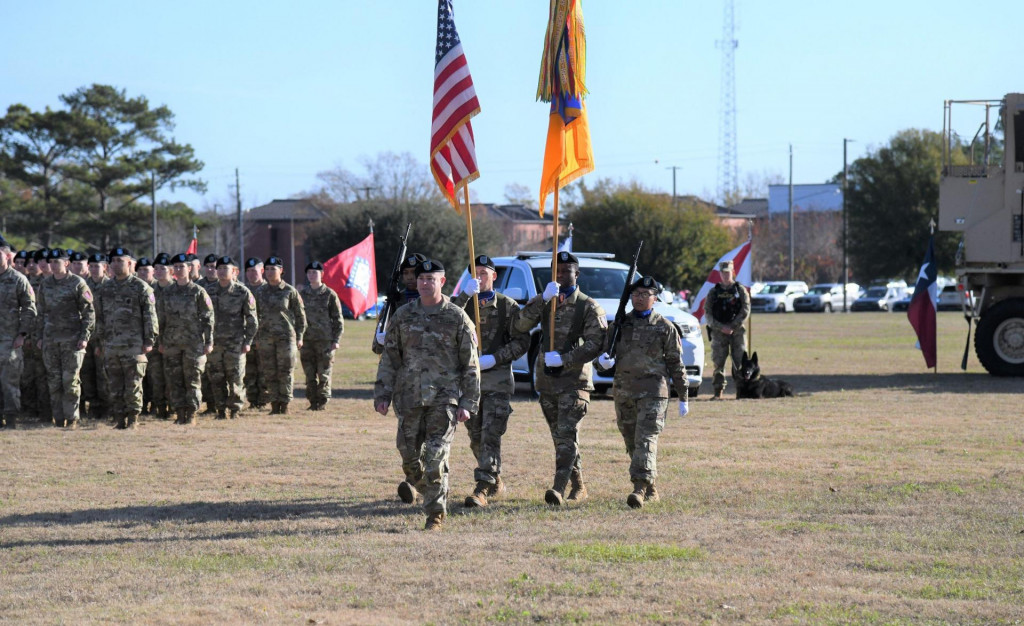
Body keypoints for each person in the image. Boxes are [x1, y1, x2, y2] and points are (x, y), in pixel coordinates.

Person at [374, 259, 480, 531]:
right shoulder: (403, 315)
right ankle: (430, 491)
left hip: (443, 401)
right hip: (408, 399)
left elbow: (471, 364)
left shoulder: (457, 317)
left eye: (430, 279)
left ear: (442, 282)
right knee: (410, 461)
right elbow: (390, 358)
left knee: (435, 457)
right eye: (420, 279)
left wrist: (468, 402)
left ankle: (435, 514)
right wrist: (382, 393)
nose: (424, 283)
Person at [513, 251, 607, 506]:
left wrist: (565, 358)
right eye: (557, 270)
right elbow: (520, 325)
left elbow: (595, 343)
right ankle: (579, 485)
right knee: (561, 438)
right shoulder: (545, 301)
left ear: (577, 274)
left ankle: (558, 487)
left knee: (566, 435)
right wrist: (542, 299)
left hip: (575, 382)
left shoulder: (588, 306)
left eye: (567, 270)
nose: (561, 275)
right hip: (547, 382)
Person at [596, 276, 689, 509]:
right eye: (636, 294)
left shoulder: (664, 327)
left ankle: (638, 488)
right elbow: (603, 356)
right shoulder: (619, 325)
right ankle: (651, 488)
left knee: (646, 439)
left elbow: (676, 363)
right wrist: (603, 363)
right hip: (624, 391)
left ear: (655, 299)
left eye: (645, 294)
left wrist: (683, 395)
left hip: (654, 392)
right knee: (631, 441)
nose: (639, 298)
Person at [454, 254, 530, 508]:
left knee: (490, 436)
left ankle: (482, 487)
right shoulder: (462, 305)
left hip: (496, 382)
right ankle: (495, 479)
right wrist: (464, 295)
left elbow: (522, 342)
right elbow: (443, 321)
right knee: (475, 437)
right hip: (468, 383)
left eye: (483, 273)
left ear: (494, 276)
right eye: (473, 274)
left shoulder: (507, 306)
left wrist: (495, 359)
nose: (478, 278)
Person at [94, 247, 158, 430]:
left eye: (119, 261)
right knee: (114, 386)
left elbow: (150, 317)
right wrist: (100, 342)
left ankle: (133, 420)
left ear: (130, 263)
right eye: (113, 261)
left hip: (134, 346)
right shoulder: (105, 289)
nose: (115, 264)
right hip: (112, 345)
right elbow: (100, 318)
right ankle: (120, 418)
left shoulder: (141, 288)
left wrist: (149, 341)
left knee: (133, 385)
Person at [36, 248, 94, 429]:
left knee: (70, 381)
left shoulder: (78, 283)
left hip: (72, 340)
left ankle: (72, 418)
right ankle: (59, 418)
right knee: (54, 381)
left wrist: (84, 337)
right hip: (51, 340)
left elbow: (89, 313)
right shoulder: (45, 284)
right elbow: (40, 313)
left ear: (66, 263)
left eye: (56, 262)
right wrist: (39, 336)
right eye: (50, 262)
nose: (52, 265)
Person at [157, 253, 214, 425]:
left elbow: (208, 318)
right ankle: (179, 412)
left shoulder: (198, 292)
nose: (179, 270)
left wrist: (209, 341)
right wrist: (160, 341)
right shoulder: (167, 293)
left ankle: (191, 414)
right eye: (176, 267)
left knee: (192, 380)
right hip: (172, 343)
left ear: (190, 269)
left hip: (193, 344)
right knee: (174, 380)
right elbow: (160, 319)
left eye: (182, 266)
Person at [207, 256, 258, 420]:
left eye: (225, 269)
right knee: (216, 378)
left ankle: (235, 410)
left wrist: (248, 342)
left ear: (234, 271)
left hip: (235, 344)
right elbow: (202, 317)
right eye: (219, 269)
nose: (221, 272)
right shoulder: (208, 291)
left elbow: (252, 320)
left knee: (235, 379)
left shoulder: (242, 292)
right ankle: (220, 410)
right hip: (214, 344)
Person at [254, 256, 306, 415]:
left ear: (281, 271)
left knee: (285, 371)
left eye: (273, 269)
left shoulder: (290, 291)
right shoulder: (260, 292)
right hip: (265, 338)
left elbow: (300, 316)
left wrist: (300, 336)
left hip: (286, 338)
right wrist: (256, 337)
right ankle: (274, 403)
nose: (270, 272)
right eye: (267, 269)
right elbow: (254, 315)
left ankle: (285, 404)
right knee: (269, 371)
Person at [0, 237, 37, 429]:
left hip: (9, 341)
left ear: (7, 256)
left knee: (9, 383)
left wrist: (22, 335)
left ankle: (11, 419)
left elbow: (30, 310)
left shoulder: (18, 280)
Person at [299, 261, 343, 411]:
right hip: (307, 341)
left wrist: (336, 340)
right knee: (309, 374)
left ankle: (322, 401)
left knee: (324, 373)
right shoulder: (302, 294)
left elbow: (338, 319)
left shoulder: (329, 294)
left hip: (325, 341)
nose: (312, 275)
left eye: (315, 272)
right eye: (309, 272)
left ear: (322, 275)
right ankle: (312, 401)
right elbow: (298, 317)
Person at [705, 260, 750, 400]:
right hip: (719, 333)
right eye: (723, 273)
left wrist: (733, 326)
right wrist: (720, 327)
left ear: (733, 273)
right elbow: (708, 313)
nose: (725, 275)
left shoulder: (740, 290)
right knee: (718, 363)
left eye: (728, 272)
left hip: (737, 332)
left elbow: (746, 309)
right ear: (720, 273)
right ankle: (718, 392)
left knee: (740, 363)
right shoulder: (714, 292)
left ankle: (741, 392)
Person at [371, 252, 427, 355]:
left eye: (414, 272)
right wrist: (381, 341)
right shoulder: (394, 301)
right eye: (405, 273)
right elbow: (376, 348)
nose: (409, 277)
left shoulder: (433, 299)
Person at [20, 250, 49, 421]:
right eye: (29, 262)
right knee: (29, 375)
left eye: (36, 262)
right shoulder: (24, 282)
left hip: (47, 336)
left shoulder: (51, 283)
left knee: (45, 377)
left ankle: (46, 412)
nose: (32, 265)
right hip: (28, 337)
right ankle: (30, 411)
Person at [81, 252, 111, 420]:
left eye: (97, 266)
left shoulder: (110, 286)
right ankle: (93, 405)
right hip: (87, 336)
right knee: (87, 372)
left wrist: (103, 340)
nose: (93, 269)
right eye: (91, 266)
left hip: (104, 337)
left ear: (105, 267)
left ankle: (106, 406)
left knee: (103, 373)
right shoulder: (83, 285)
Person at [148, 253, 174, 419]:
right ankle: (160, 407)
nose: (159, 271)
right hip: (155, 341)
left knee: (172, 376)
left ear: (171, 270)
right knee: (156, 376)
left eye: (163, 268)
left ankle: (173, 407)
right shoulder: (150, 290)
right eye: (156, 268)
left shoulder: (177, 289)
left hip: (173, 340)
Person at [243, 258, 268, 409]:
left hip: (265, 338)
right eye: (249, 271)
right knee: (249, 372)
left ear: (262, 271)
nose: (252, 274)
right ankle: (253, 400)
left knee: (264, 371)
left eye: (255, 271)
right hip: (247, 339)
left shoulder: (269, 289)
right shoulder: (242, 291)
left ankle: (264, 401)